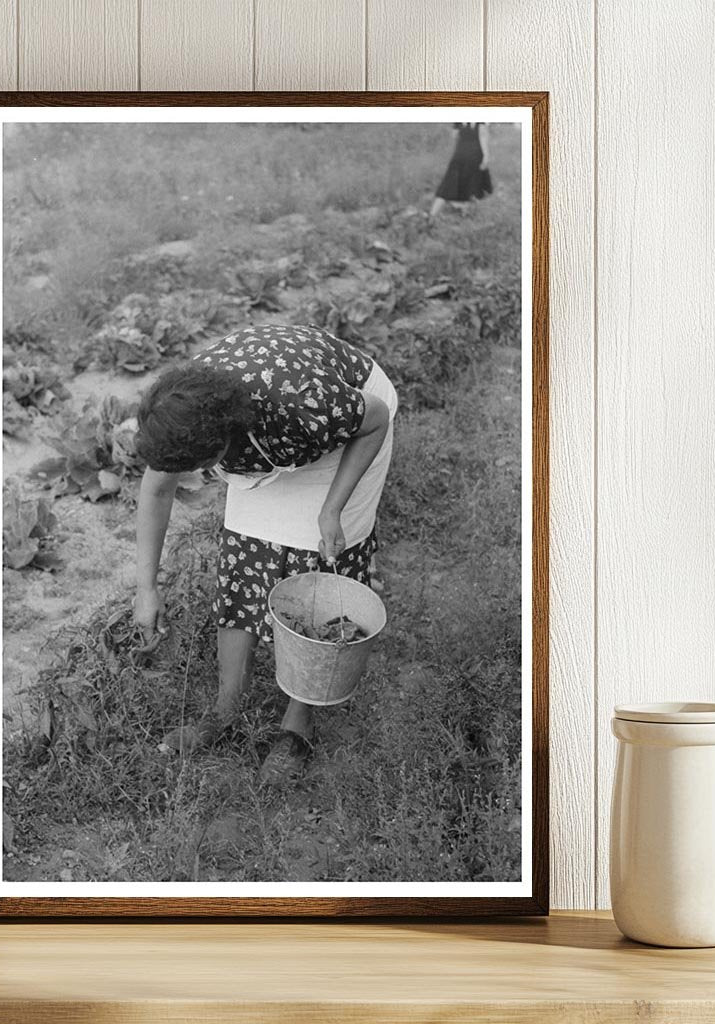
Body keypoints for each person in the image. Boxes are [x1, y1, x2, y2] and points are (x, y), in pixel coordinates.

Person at [133, 324, 398, 785]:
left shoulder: (301, 405)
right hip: (266, 427)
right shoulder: (178, 418)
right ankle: (225, 709)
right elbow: (156, 493)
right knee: (243, 561)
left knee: (318, 572)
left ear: (225, 436)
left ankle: (297, 726)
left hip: (352, 427)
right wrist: (146, 588)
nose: (197, 474)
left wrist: (332, 509)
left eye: (201, 465)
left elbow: (373, 419)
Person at [429, 122, 492, 219]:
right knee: (472, 188)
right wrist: (486, 156)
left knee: (447, 187)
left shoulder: (458, 122)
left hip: (459, 155)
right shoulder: (480, 121)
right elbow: (483, 136)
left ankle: (431, 217)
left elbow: (454, 136)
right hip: (475, 155)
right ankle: (466, 216)